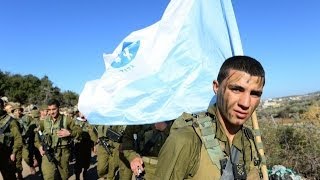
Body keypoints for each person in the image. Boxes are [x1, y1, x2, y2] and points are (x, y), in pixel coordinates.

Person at [154, 55, 265, 179]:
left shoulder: (249, 139)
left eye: (255, 94)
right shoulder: (187, 140)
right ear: (216, 87)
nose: (245, 103)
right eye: (236, 89)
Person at [34, 98, 81, 180]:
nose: (51, 112)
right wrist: (39, 146)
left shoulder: (67, 120)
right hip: (48, 152)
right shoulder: (44, 121)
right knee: (48, 176)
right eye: (49, 109)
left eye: (54, 109)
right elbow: (37, 134)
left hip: (63, 153)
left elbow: (79, 131)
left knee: (64, 177)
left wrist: (69, 133)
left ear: (59, 108)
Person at [0, 98, 23, 179]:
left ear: (2, 107)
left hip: (6, 155)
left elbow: (18, 138)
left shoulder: (10, 121)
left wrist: (13, 153)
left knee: (9, 177)